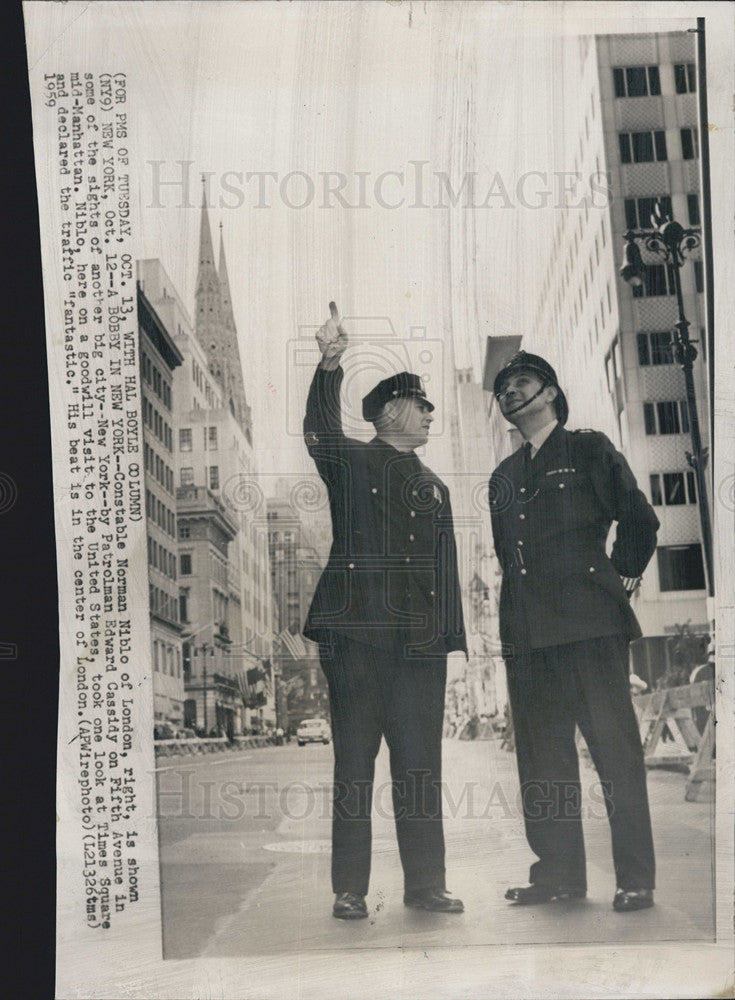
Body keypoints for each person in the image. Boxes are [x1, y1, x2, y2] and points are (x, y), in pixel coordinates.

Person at [303, 303, 467, 920]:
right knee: (354, 764)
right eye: (420, 405)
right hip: (356, 639)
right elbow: (318, 431)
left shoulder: (436, 487)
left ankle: (426, 883)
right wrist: (329, 365)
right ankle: (350, 888)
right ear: (393, 411)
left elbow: (445, 572)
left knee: (421, 765)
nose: (429, 414)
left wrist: (450, 638)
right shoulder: (353, 461)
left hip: (420, 646)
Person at [488, 351, 659, 913]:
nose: (511, 392)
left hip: (589, 629)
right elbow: (507, 560)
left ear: (551, 393)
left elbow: (638, 517)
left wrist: (622, 578)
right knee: (542, 762)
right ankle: (558, 874)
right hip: (529, 639)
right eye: (504, 387)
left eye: (523, 382)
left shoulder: (588, 448)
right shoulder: (504, 477)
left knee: (615, 755)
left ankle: (635, 877)